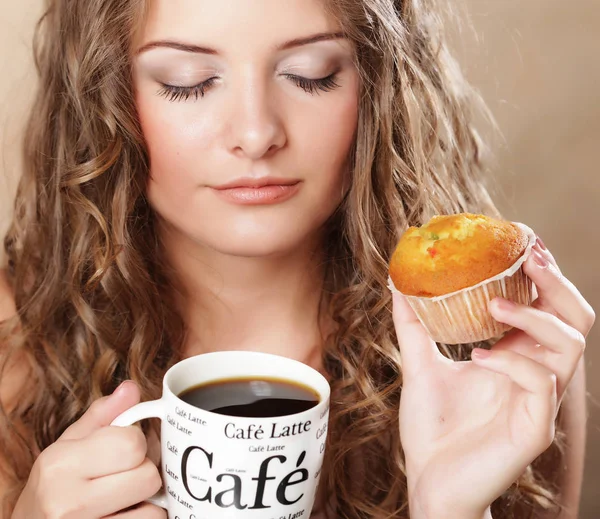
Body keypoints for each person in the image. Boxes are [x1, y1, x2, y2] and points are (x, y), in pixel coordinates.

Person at [0, 0, 594, 517]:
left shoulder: (506, 352)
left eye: (311, 75)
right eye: (187, 81)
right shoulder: (14, 337)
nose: (257, 134)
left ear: (376, 81)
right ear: (103, 94)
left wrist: (452, 509)